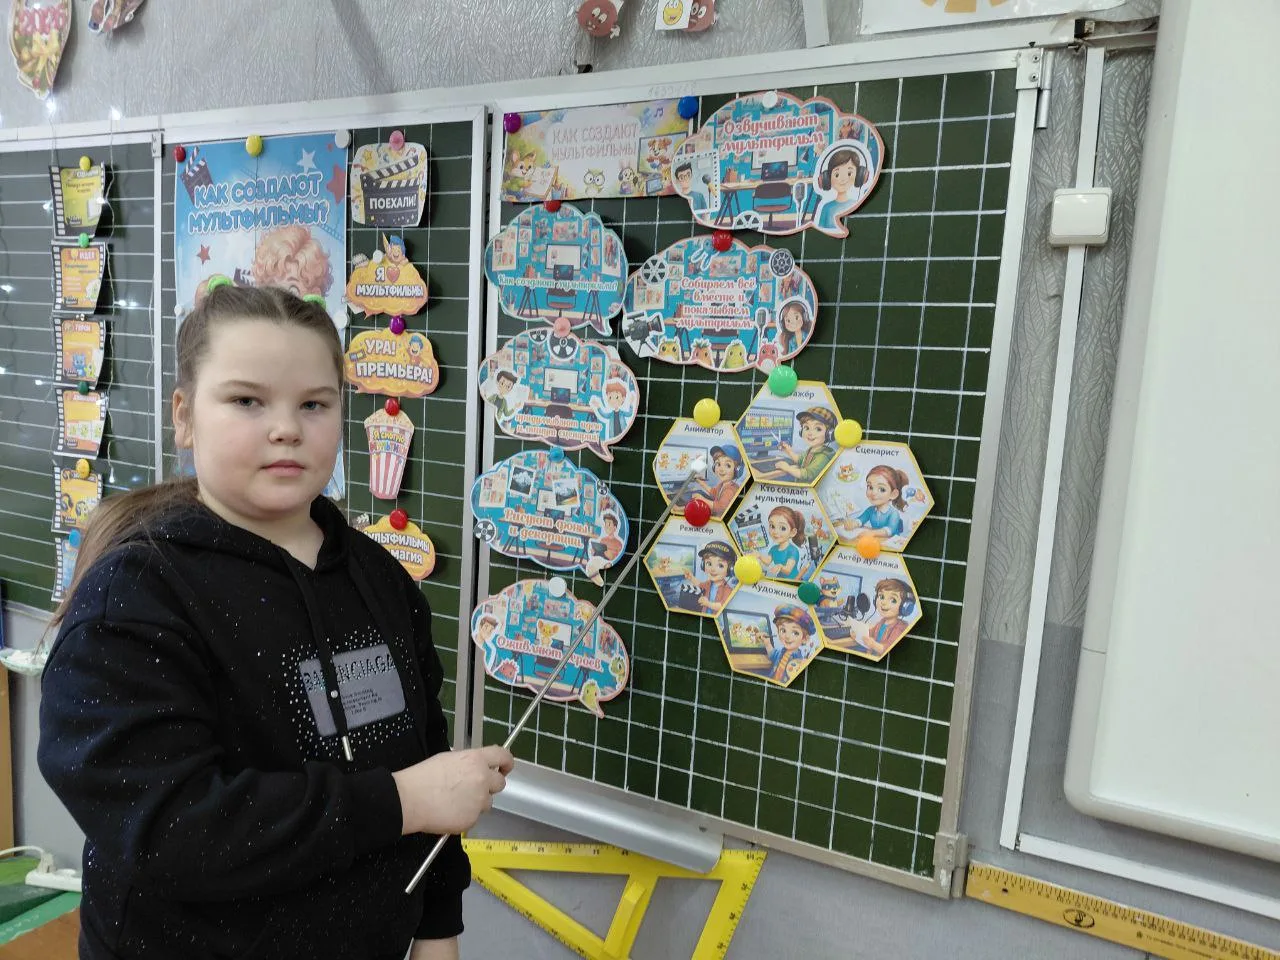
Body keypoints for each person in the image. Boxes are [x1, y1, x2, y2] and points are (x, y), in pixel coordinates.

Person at [37, 285, 514, 960]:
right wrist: (398, 801)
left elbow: (426, 761)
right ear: (184, 416)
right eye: (247, 401)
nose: (287, 428)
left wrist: (438, 930)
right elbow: (170, 829)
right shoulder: (136, 598)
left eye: (314, 404)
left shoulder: (379, 579)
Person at [760, 407, 838, 484]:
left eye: (818, 429)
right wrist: (789, 451)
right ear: (801, 431)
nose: (810, 433)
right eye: (806, 427)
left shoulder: (823, 456)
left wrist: (787, 468)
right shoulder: (812, 449)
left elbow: (807, 474)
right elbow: (800, 460)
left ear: (829, 434)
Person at [838, 464, 909, 542]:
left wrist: (872, 533)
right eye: (870, 487)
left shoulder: (893, 513)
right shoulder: (871, 510)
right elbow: (861, 519)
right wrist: (853, 524)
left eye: (882, 489)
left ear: (893, 494)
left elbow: (889, 530)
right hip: (876, 540)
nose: (873, 493)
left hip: (890, 542)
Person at [813, 146, 869, 235]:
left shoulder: (856, 205)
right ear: (827, 178)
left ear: (859, 176)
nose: (843, 179)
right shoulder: (826, 208)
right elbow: (820, 231)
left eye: (849, 173)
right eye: (837, 174)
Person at [766, 604, 819, 684]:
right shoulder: (782, 651)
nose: (787, 636)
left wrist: (804, 664)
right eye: (783, 630)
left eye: (795, 633)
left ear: (805, 639)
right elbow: (773, 655)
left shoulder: (797, 658)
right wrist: (767, 643)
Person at [689, 444, 744, 517]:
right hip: (716, 514)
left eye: (728, 465)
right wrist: (701, 482)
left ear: (737, 469)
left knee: (695, 506)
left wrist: (702, 499)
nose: (721, 469)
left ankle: (679, 509)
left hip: (719, 518)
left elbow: (720, 507)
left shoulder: (730, 490)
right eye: (718, 464)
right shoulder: (722, 484)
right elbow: (714, 493)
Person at [684, 540, 737, 614]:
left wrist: (708, 604)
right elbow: (700, 584)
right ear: (703, 565)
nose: (713, 569)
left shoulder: (727, 589)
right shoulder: (709, 583)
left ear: (730, 569)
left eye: (720, 565)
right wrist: (691, 578)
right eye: (709, 563)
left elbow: (721, 606)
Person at [759, 505, 806, 579]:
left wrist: (780, 566)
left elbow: (788, 570)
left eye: (783, 528)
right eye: (772, 526)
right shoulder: (774, 549)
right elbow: (768, 562)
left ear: (792, 532)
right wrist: (759, 555)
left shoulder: (793, 551)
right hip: (779, 578)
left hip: (793, 580)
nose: (775, 532)